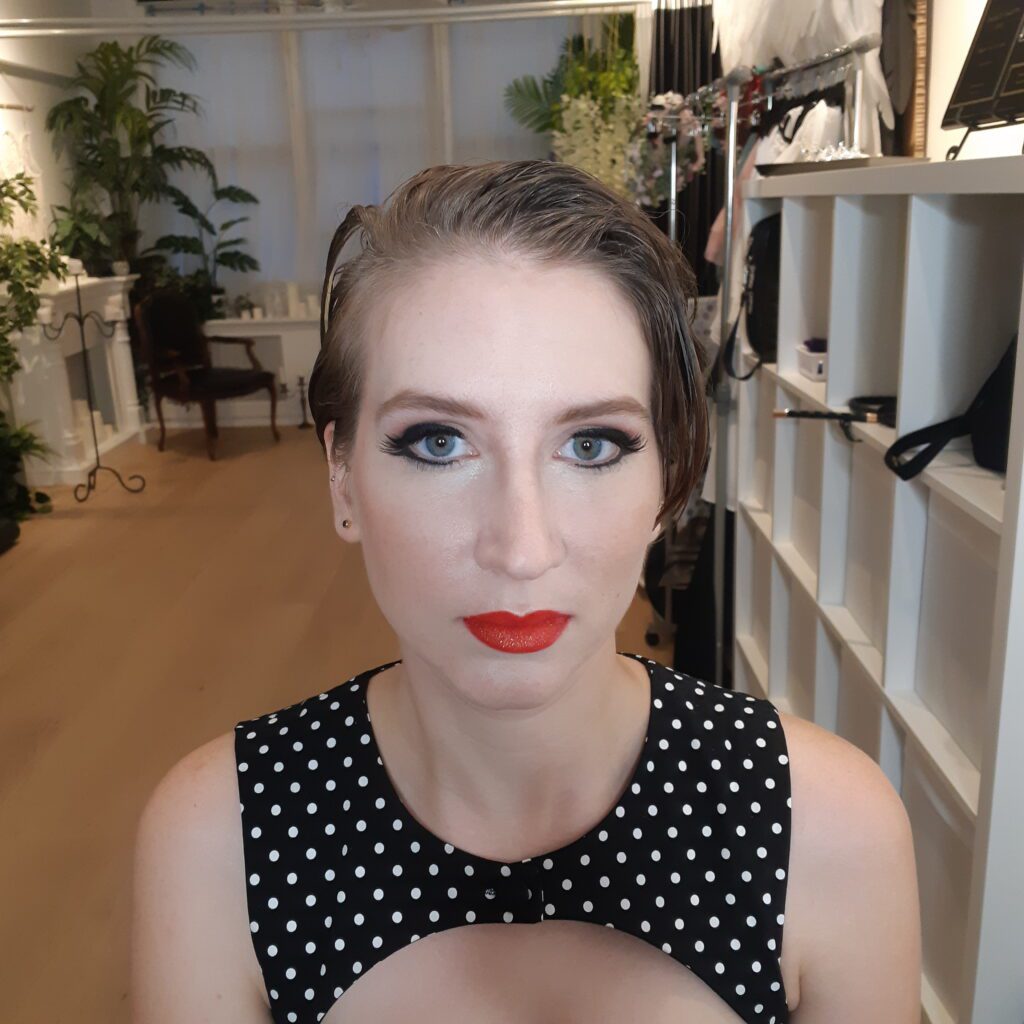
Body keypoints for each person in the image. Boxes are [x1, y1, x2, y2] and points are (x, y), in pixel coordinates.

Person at [130, 159, 920, 1024]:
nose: (521, 549)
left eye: (591, 445)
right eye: (438, 442)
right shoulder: (217, 841)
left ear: (669, 483)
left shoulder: (829, 829)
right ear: (342, 478)